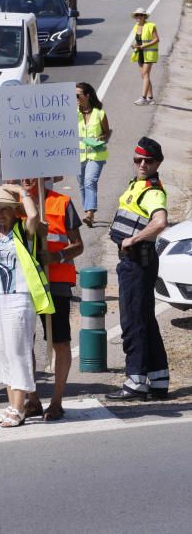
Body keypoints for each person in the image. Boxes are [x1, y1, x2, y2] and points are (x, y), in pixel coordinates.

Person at [0, 184, 54, 427]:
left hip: (19, 297)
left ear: (13, 211)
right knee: (1, 354)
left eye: (5, 209)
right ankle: (12, 405)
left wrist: (20, 190)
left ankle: (20, 408)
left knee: (18, 352)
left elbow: (33, 216)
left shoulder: (23, 230)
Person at [106, 136, 169, 401]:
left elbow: (160, 222)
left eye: (148, 161)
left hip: (137, 261)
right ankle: (158, 379)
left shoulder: (152, 190)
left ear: (158, 163)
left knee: (132, 322)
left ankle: (135, 381)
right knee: (145, 319)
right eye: (138, 159)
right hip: (134, 262)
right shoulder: (138, 184)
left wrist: (133, 239)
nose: (142, 164)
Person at [21, 179, 84, 421]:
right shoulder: (13, 204)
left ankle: (57, 402)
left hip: (55, 284)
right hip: (24, 283)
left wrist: (56, 256)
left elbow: (78, 245)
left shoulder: (61, 203)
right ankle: (32, 399)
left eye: (31, 173)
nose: (26, 178)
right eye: (22, 173)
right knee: (24, 342)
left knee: (60, 342)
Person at [76, 82, 110, 227]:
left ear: (87, 95)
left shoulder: (99, 113)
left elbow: (107, 133)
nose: (76, 98)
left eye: (78, 95)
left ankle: (90, 214)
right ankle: (88, 212)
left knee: (90, 181)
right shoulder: (73, 113)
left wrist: (100, 138)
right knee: (82, 185)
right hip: (78, 155)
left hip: (96, 155)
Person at [130, 7, 160, 105]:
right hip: (140, 53)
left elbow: (156, 39)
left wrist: (144, 46)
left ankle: (143, 97)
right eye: (137, 15)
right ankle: (150, 98)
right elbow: (139, 40)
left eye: (141, 15)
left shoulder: (151, 26)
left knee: (146, 74)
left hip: (149, 53)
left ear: (144, 16)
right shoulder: (136, 26)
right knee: (144, 76)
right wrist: (135, 45)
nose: (138, 17)